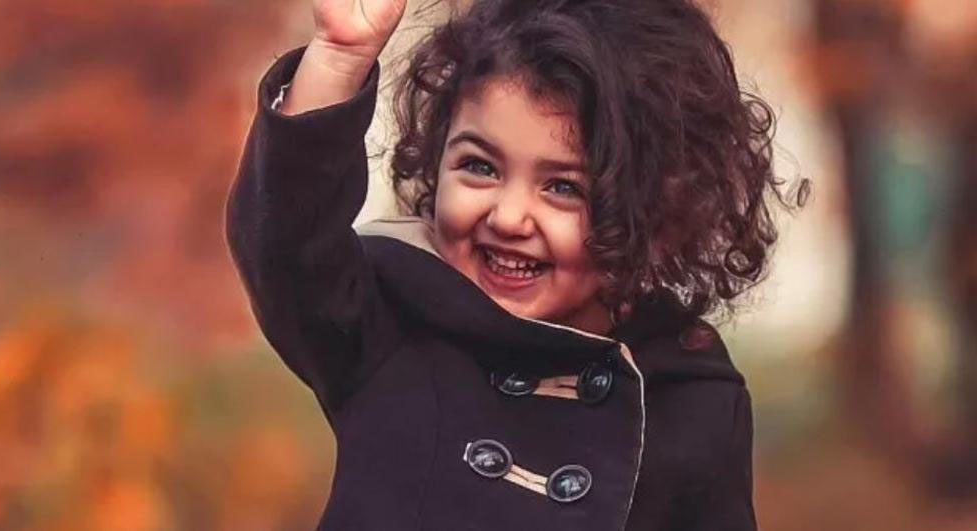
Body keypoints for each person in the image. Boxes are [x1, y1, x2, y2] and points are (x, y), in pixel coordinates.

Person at [226, 0, 804, 528]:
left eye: (563, 187)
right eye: (480, 167)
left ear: (657, 214)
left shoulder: (692, 397)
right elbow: (285, 248)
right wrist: (339, 55)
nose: (507, 217)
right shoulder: (395, 316)